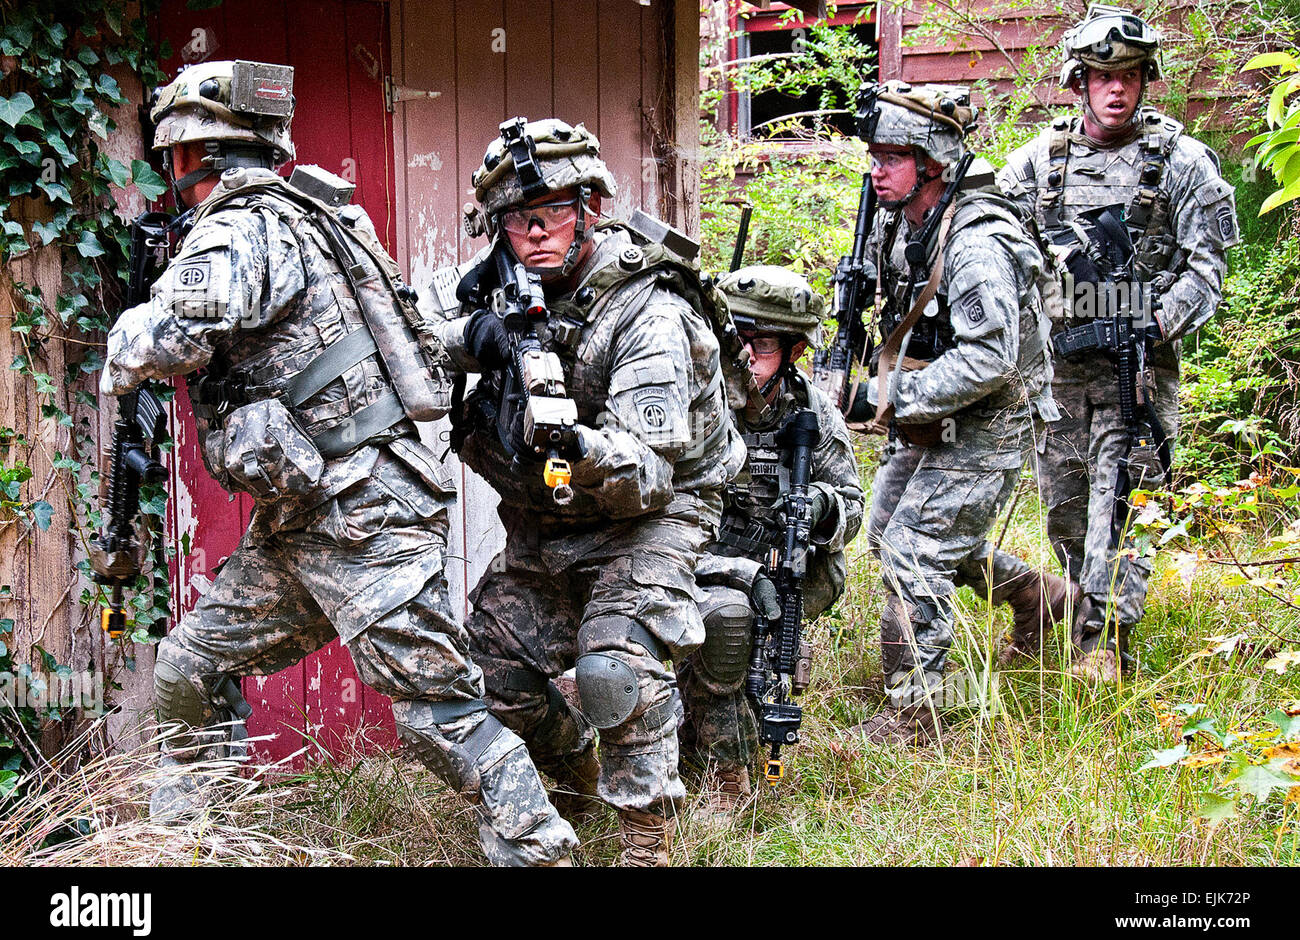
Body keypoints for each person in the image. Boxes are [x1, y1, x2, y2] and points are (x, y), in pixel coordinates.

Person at [100, 62, 576, 866]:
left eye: (174, 161)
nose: (173, 179)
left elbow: (176, 335)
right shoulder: (319, 218)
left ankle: (543, 843)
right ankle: (192, 841)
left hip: (362, 515)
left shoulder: (240, 224)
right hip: (309, 517)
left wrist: (123, 336)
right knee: (191, 664)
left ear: (195, 156)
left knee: (437, 712)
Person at [430, 117, 747, 865]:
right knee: (486, 671)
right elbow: (409, 341)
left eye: (554, 213)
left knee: (614, 668)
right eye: (517, 219)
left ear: (591, 208)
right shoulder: (505, 296)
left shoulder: (647, 311)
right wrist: (467, 340)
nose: (535, 233)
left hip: (652, 519)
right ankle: (574, 768)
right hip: (551, 527)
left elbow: (648, 471)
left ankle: (645, 839)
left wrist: (571, 441)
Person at [997, 5, 1239, 682]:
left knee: (1126, 503)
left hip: (1138, 370)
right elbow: (997, 246)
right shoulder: (1037, 162)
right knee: (1069, 513)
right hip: (1063, 369)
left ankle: (1104, 644)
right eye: (1103, 75)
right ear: (1079, 80)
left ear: (1144, 79)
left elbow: (1207, 267)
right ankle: (1079, 611)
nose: (1117, 89)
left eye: (1129, 75)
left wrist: (1157, 320)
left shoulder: (1185, 161)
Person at [853, 81, 1060, 744]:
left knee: (917, 552)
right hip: (933, 405)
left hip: (993, 415)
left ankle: (920, 713)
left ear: (934, 160)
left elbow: (989, 361)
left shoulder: (976, 245)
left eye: (891, 156)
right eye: (874, 155)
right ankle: (1040, 599)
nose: (876, 169)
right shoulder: (903, 218)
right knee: (888, 535)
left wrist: (888, 399)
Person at [678, 265, 863, 820]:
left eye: (760, 344)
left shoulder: (809, 411)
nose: (746, 357)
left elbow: (853, 506)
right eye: (736, 340)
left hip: (781, 566)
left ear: (791, 352)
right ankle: (715, 761)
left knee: (737, 642)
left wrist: (821, 507)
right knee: (722, 629)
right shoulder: (693, 395)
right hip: (696, 557)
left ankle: (728, 776)